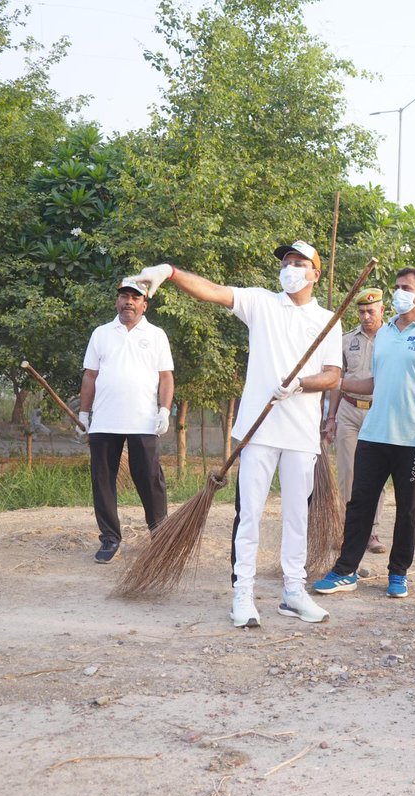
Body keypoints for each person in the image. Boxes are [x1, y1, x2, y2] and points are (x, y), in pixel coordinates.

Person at [129, 241, 340, 628]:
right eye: (286, 262)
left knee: (297, 515)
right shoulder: (261, 302)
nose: (290, 268)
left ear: (315, 273)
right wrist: (171, 273)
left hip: (302, 433)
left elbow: (332, 375)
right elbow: (213, 291)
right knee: (250, 515)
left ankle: (294, 591)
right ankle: (242, 592)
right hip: (258, 431)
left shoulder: (328, 318)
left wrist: (301, 384)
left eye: (299, 263)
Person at [313, 268, 415, 598]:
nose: (398, 293)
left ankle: (398, 573)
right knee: (360, 504)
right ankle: (345, 570)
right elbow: (373, 383)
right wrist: (338, 381)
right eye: (396, 287)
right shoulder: (386, 334)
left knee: (408, 510)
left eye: (406, 288)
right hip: (374, 437)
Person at [79, 277, 174, 564]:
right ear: (117, 301)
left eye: (135, 297)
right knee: (103, 480)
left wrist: (165, 410)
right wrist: (84, 413)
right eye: (124, 296)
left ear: (145, 304)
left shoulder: (156, 335)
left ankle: (161, 538)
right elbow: (90, 375)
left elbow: (166, 377)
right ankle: (109, 539)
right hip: (105, 421)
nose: (128, 302)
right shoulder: (101, 334)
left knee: (149, 479)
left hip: (143, 422)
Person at [323, 287, 388, 554]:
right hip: (348, 411)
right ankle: (348, 530)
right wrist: (331, 417)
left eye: (370, 311)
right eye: (361, 311)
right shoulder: (345, 340)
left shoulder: (391, 339)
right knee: (347, 474)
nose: (365, 316)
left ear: (382, 310)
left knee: (376, 474)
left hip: (379, 412)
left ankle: (371, 531)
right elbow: (336, 382)